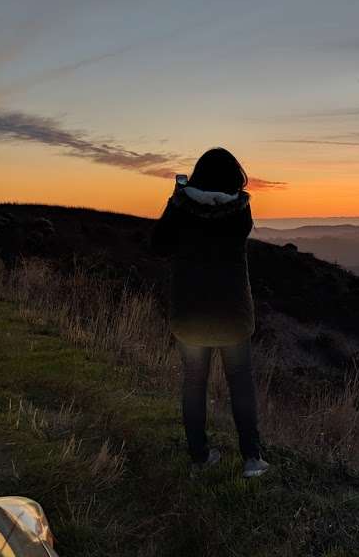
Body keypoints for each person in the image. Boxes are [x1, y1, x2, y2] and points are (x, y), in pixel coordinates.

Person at [150, 147, 270, 479]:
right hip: (232, 313)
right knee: (241, 385)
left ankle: (200, 457)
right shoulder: (240, 210)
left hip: (190, 313)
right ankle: (252, 459)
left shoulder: (181, 208)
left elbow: (158, 244)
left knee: (193, 383)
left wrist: (176, 201)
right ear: (235, 177)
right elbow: (238, 231)